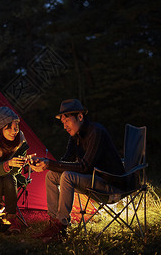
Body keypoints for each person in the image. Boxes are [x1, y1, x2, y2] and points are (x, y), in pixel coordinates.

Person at [30, 99, 126, 243]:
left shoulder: (96, 132)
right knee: (51, 175)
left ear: (80, 117)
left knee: (67, 176)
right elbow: (64, 162)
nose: (64, 126)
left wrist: (50, 163)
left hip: (111, 185)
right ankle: (53, 222)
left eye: (67, 120)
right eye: (62, 123)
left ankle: (60, 227)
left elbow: (84, 167)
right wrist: (44, 164)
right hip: (93, 180)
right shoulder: (75, 137)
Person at [0, 106, 29, 234]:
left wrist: (21, 163)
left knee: (9, 179)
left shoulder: (21, 141)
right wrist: (7, 164)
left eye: (16, 127)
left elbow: (16, 170)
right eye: (10, 127)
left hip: (12, 178)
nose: (14, 131)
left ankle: (11, 218)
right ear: (1, 128)